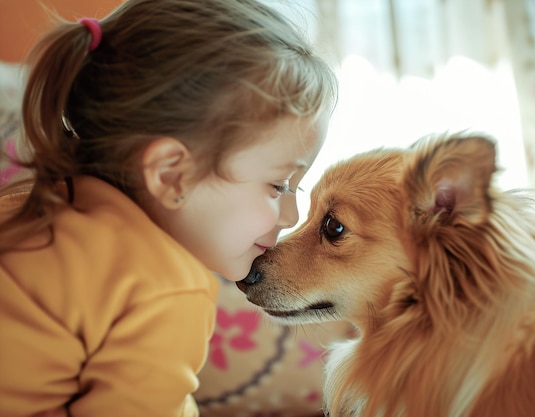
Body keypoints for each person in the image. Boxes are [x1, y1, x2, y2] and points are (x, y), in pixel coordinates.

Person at [0, 0, 337, 416]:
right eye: (278, 185)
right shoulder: (163, 285)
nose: (290, 216)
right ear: (170, 175)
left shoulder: (24, 205)